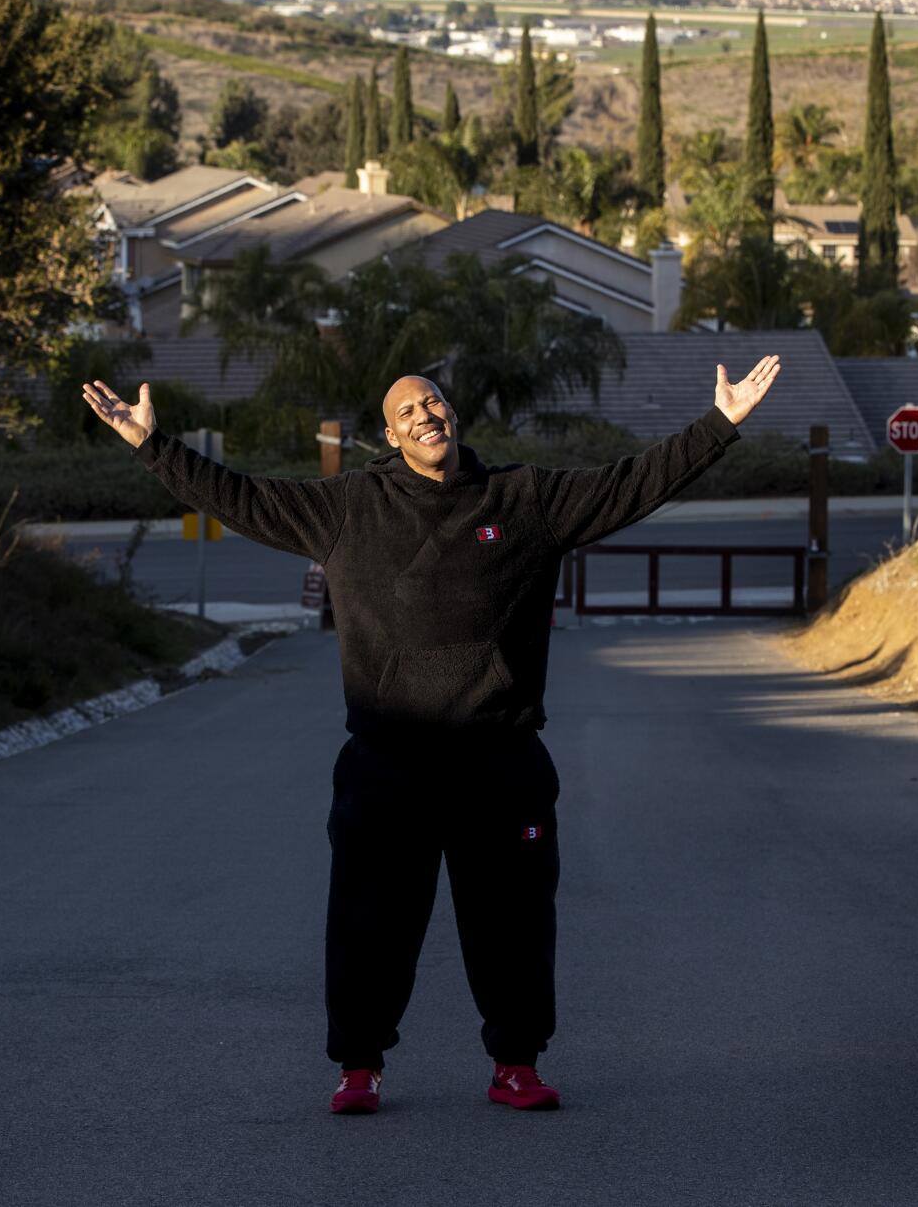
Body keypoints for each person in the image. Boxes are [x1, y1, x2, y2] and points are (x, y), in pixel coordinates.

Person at [82, 355, 781, 1114]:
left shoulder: (524, 499)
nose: (425, 413)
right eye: (407, 408)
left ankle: (516, 1063)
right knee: (366, 926)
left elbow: (628, 485)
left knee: (514, 925)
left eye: (434, 400)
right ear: (389, 433)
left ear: (453, 415)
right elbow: (241, 497)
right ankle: (359, 1065)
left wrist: (721, 425)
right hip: (388, 764)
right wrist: (153, 446)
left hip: (500, 759)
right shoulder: (349, 507)